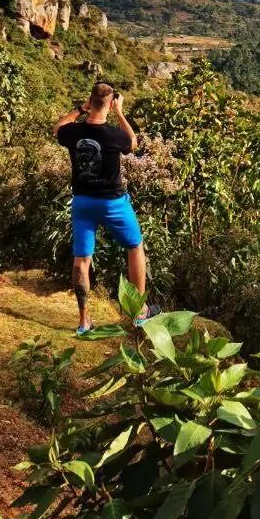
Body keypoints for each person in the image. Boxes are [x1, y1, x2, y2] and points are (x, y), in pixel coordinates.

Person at [53, 81, 160, 334]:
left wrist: (80, 109)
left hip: (83, 202)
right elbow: (133, 142)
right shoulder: (114, 135)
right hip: (113, 203)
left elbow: (57, 128)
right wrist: (120, 112)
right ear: (110, 104)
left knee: (82, 259)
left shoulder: (73, 132)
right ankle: (139, 313)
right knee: (135, 247)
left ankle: (84, 322)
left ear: (90, 102)